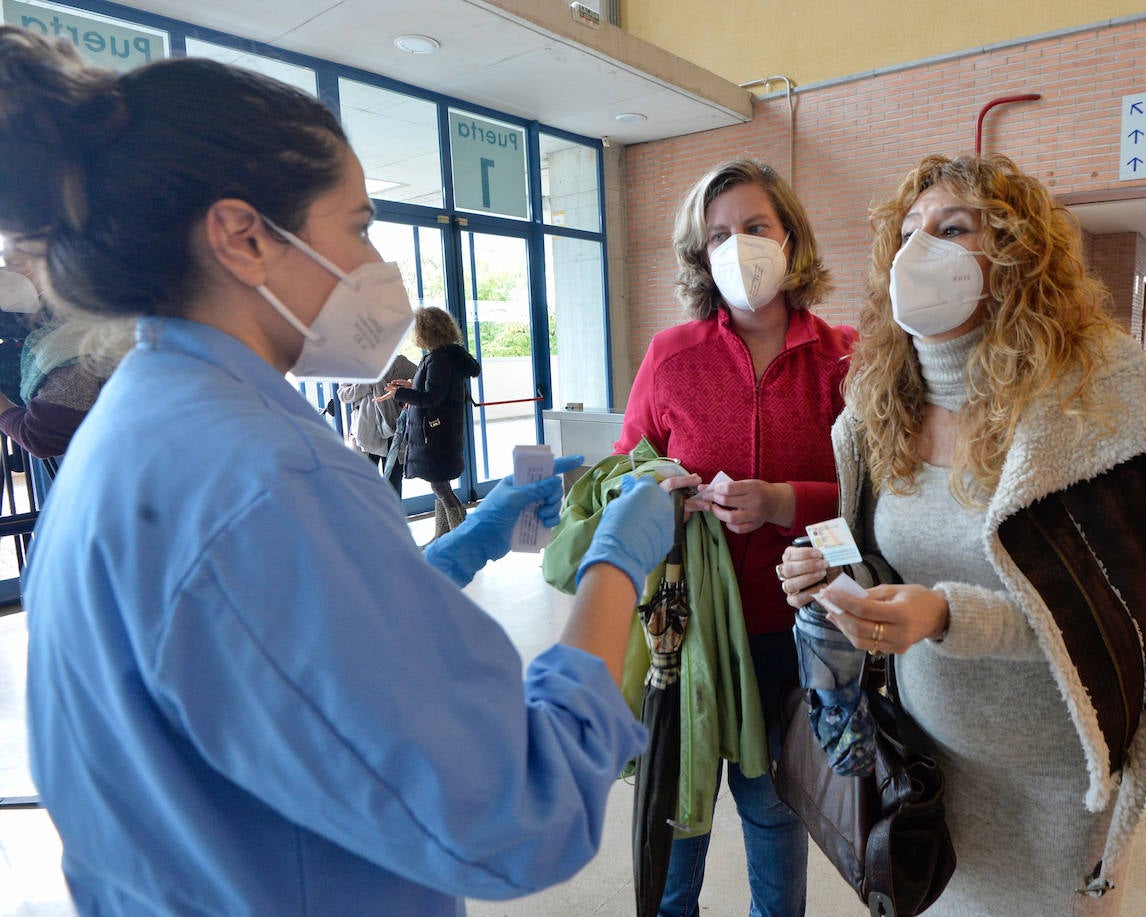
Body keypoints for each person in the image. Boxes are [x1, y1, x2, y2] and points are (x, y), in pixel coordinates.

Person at [1, 26, 676, 915]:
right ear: (242, 236)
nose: (374, 264)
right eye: (358, 226)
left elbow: (286, 656)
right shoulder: (267, 476)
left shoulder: (136, 428)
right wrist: (613, 566)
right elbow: (518, 807)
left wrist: (462, 544)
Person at [778, 154, 1146, 913]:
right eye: (908, 231)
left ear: (1014, 253)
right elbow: (878, 558)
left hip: (1057, 771)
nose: (917, 250)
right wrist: (837, 582)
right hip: (923, 759)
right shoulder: (877, 404)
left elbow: (1123, 612)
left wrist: (947, 614)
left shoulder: (1093, 394)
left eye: (952, 229)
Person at [616, 157, 856, 916]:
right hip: (684, 631)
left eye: (755, 226)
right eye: (719, 234)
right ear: (699, 252)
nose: (737, 246)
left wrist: (787, 502)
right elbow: (623, 477)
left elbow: (878, 510)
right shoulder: (670, 356)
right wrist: (663, 494)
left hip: (795, 634)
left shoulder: (845, 358)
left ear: (791, 238)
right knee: (678, 817)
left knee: (773, 813)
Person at [0, 240, 129, 504]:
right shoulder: (88, 313)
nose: (5, 273)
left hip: (116, 481)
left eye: (12, 263)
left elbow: (40, 438)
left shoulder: (76, 355)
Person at [381, 306, 481, 536]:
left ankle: (460, 535)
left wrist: (400, 394)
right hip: (441, 433)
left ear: (427, 332)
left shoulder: (438, 359)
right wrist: (409, 385)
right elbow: (436, 390)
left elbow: (431, 398)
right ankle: (444, 535)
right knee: (440, 485)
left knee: (439, 486)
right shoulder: (447, 356)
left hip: (435, 436)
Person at [337, 351, 418, 496]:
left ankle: (393, 512)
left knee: (394, 486)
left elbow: (418, 382)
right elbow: (343, 395)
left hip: (394, 431)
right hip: (366, 433)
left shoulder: (398, 361)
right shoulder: (352, 365)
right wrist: (369, 384)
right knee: (367, 487)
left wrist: (405, 395)